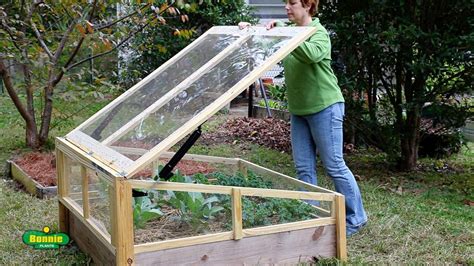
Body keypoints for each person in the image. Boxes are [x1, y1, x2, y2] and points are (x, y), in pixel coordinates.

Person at [239, 0, 367, 236]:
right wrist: (251, 31)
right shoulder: (288, 32)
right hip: (299, 111)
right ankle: (310, 215)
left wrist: (283, 34)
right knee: (303, 167)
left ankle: (356, 218)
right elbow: (265, 48)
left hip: (325, 107)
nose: (287, 7)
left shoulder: (319, 34)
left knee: (334, 166)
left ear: (308, 6)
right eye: (285, 3)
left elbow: (311, 55)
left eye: (293, 2)